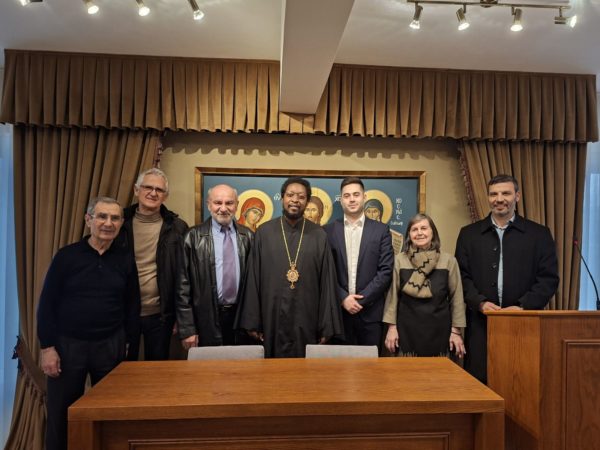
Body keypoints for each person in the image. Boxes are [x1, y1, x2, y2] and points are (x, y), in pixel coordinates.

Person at [37, 197, 139, 450]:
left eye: (115, 218)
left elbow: (132, 304)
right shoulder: (67, 256)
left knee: (111, 411)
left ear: (121, 223)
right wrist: (47, 348)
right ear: (88, 220)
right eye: (102, 216)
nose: (108, 223)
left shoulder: (125, 259)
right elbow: (47, 304)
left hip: (111, 344)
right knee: (62, 413)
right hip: (68, 345)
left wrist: (129, 345)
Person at [455, 174, 559, 383]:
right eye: (494, 194)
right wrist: (480, 302)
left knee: (523, 382)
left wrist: (522, 307)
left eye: (506, 193)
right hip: (481, 324)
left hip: (525, 323)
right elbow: (460, 277)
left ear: (517, 196)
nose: (499, 199)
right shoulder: (469, 234)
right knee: (480, 384)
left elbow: (548, 279)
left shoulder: (539, 234)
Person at [237, 177, 343, 357]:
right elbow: (253, 279)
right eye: (290, 195)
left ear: (307, 201)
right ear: (282, 198)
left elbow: (327, 282)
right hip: (271, 316)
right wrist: (252, 321)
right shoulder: (264, 233)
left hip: (307, 316)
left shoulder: (319, 235)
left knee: (305, 369)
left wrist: (326, 326)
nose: (295, 200)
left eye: (301, 197)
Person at [120, 168, 188, 361]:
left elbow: (183, 275)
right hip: (123, 313)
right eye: (147, 187)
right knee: (122, 369)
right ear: (136, 190)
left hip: (160, 315)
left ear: (165, 196)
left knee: (157, 369)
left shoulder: (177, 227)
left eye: (159, 190)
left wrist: (179, 316)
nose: (153, 193)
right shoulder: (119, 223)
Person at [177, 184, 254, 348]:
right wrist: (187, 328)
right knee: (209, 364)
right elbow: (182, 286)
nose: (223, 208)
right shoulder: (192, 237)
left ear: (237, 205)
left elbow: (256, 284)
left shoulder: (248, 236)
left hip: (240, 318)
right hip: (205, 318)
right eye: (218, 202)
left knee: (241, 362)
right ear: (208, 205)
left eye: (229, 203)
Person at [324, 177, 393, 351]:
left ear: (364, 197)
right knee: (339, 365)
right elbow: (325, 271)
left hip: (371, 315)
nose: (352, 199)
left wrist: (362, 300)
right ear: (341, 200)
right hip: (339, 315)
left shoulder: (381, 230)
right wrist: (343, 298)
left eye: (356, 194)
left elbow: (385, 271)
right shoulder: (328, 231)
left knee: (370, 366)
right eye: (347, 196)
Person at [383, 214, 466, 358]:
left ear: (433, 232)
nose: (419, 233)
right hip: (406, 331)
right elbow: (392, 296)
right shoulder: (399, 260)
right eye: (414, 229)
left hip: (440, 330)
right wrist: (391, 328)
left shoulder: (448, 261)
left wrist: (456, 331)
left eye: (424, 228)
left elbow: (456, 298)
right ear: (409, 234)